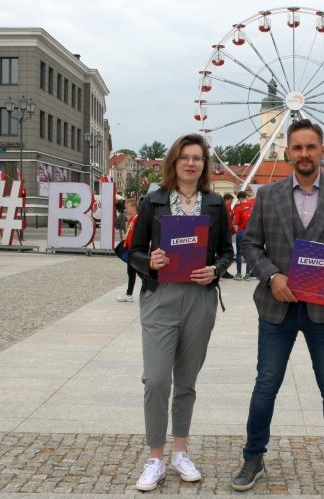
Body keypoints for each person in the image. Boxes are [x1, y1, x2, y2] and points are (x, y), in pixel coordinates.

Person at [232, 119, 324, 498]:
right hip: (278, 306)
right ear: (288, 152)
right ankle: (253, 456)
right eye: (298, 148)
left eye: (311, 147)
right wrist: (272, 277)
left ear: (322, 151)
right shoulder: (268, 195)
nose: (305, 154)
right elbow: (250, 246)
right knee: (265, 387)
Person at [129, 133, 234, 491]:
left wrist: (216, 270)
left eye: (198, 158)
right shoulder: (154, 201)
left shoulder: (216, 203)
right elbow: (133, 251)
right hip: (161, 296)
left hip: (200, 298)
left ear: (205, 165)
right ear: (173, 162)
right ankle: (155, 458)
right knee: (156, 379)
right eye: (185, 157)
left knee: (186, 381)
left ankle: (180, 451)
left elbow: (227, 252)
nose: (191, 163)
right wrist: (150, 261)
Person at [116, 198, 139, 302]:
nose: (126, 210)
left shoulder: (137, 219)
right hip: (131, 250)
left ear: (133, 207)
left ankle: (152, 290)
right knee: (132, 272)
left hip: (134, 250)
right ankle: (129, 294)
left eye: (127, 207)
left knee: (139, 272)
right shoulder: (132, 219)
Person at [232, 191, 254, 280]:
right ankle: (248, 274)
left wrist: (237, 230)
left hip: (241, 232)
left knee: (239, 254)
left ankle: (239, 274)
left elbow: (236, 222)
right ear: (246, 196)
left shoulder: (238, 207)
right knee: (248, 253)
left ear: (240, 198)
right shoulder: (252, 204)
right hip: (250, 233)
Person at [221, 193, 236, 279]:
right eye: (230, 200)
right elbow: (227, 221)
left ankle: (224, 270)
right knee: (225, 251)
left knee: (226, 251)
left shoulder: (228, 207)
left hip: (227, 231)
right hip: (225, 232)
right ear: (227, 200)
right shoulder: (224, 208)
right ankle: (223, 271)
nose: (231, 202)